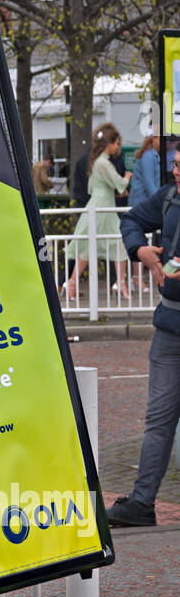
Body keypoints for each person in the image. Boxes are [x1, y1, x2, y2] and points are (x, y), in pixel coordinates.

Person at [106, 146, 180, 528]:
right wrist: (140, 250)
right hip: (169, 329)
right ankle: (142, 502)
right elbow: (132, 219)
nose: (176, 171)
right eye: (176, 164)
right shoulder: (169, 197)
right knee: (158, 421)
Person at [63, 124, 131, 301]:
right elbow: (120, 183)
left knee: (90, 246)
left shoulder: (96, 162)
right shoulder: (104, 163)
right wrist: (128, 177)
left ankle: (72, 281)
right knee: (118, 241)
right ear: (108, 144)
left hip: (99, 204)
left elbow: (92, 187)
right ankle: (121, 282)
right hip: (103, 207)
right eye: (116, 143)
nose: (118, 147)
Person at [128, 135, 161, 293]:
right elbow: (149, 183)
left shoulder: (152, 155)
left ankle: (138, 278)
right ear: (154, 138)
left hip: (144, 202)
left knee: (142, 241)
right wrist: (162, 202)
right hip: (141, 204)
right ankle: (137, 278)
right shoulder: (149, 156)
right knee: (140, 242)